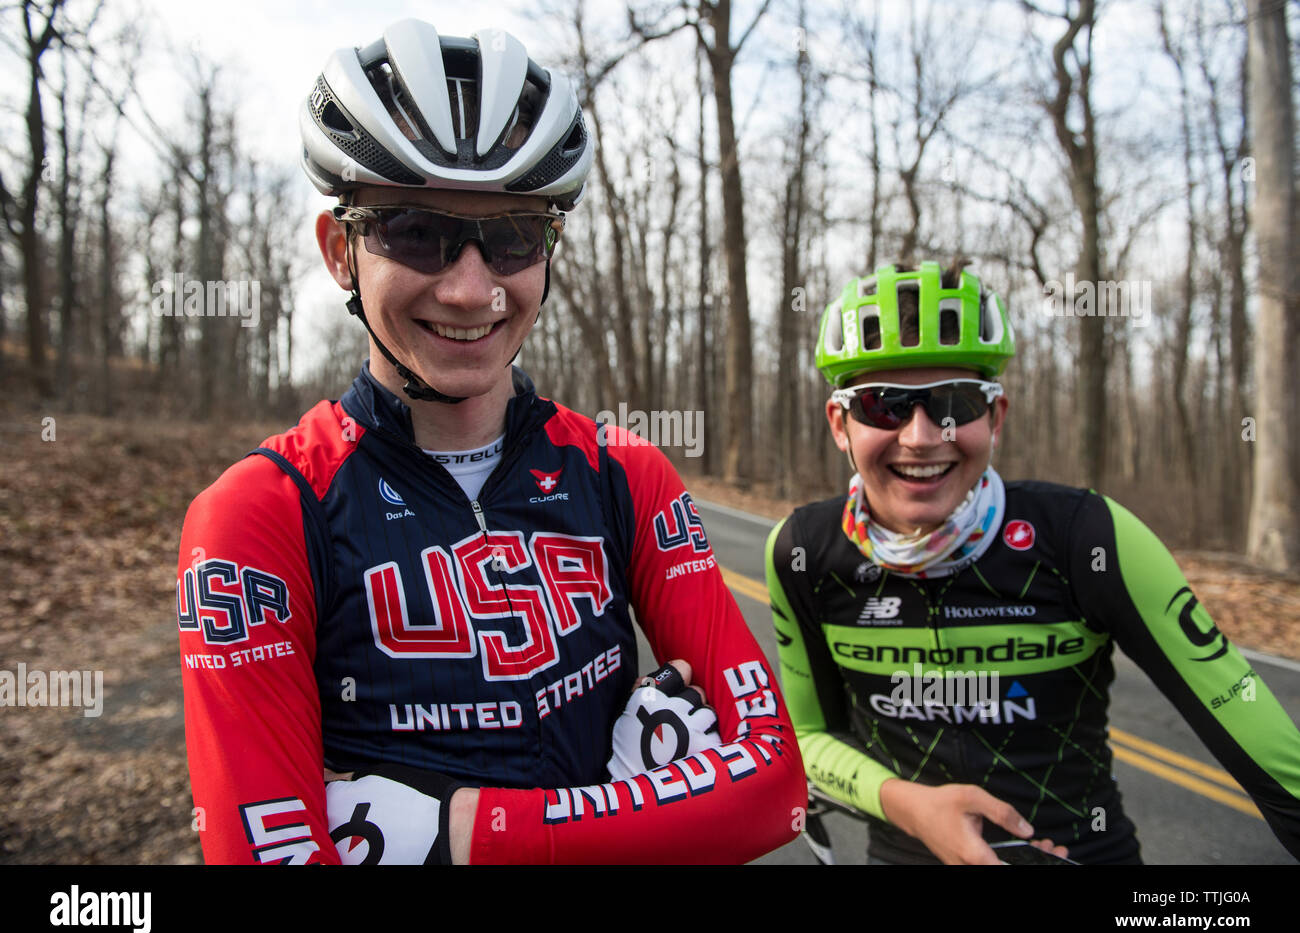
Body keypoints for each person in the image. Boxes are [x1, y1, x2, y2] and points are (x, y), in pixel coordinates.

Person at [178, 19, 803, 865]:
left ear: (548, 250)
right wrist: (644, 811)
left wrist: (456, 830)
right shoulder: (259, 515)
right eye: (415, 232)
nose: (471, 289)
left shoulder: (625, 471)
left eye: (513, 235)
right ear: (340, 251)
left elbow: (775, 790)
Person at [765, 260, 1300, 865]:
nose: (919, 436)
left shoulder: (1086, 538)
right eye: (883, 406)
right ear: (841, 424)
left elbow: (1265, 746)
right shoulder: (803, 552)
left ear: (995, 418)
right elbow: (805, 739)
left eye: (954, 404)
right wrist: (907, 805)